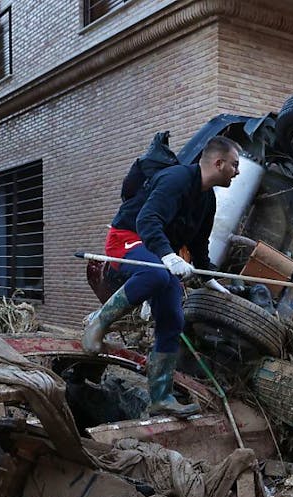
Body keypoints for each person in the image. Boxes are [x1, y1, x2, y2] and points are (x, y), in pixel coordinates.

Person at [83, 135, 242, 417]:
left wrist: (209, 279)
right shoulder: (176, 179)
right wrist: (168, 257)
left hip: (157, 251)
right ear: (218, 163)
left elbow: (198, 244)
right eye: (234, 165)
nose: (238, 171)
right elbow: (146, 221)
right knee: (155, 274)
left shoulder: (207, 200)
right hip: (127, 239)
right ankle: (99, 321)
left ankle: (161, 398)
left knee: (173, 318)